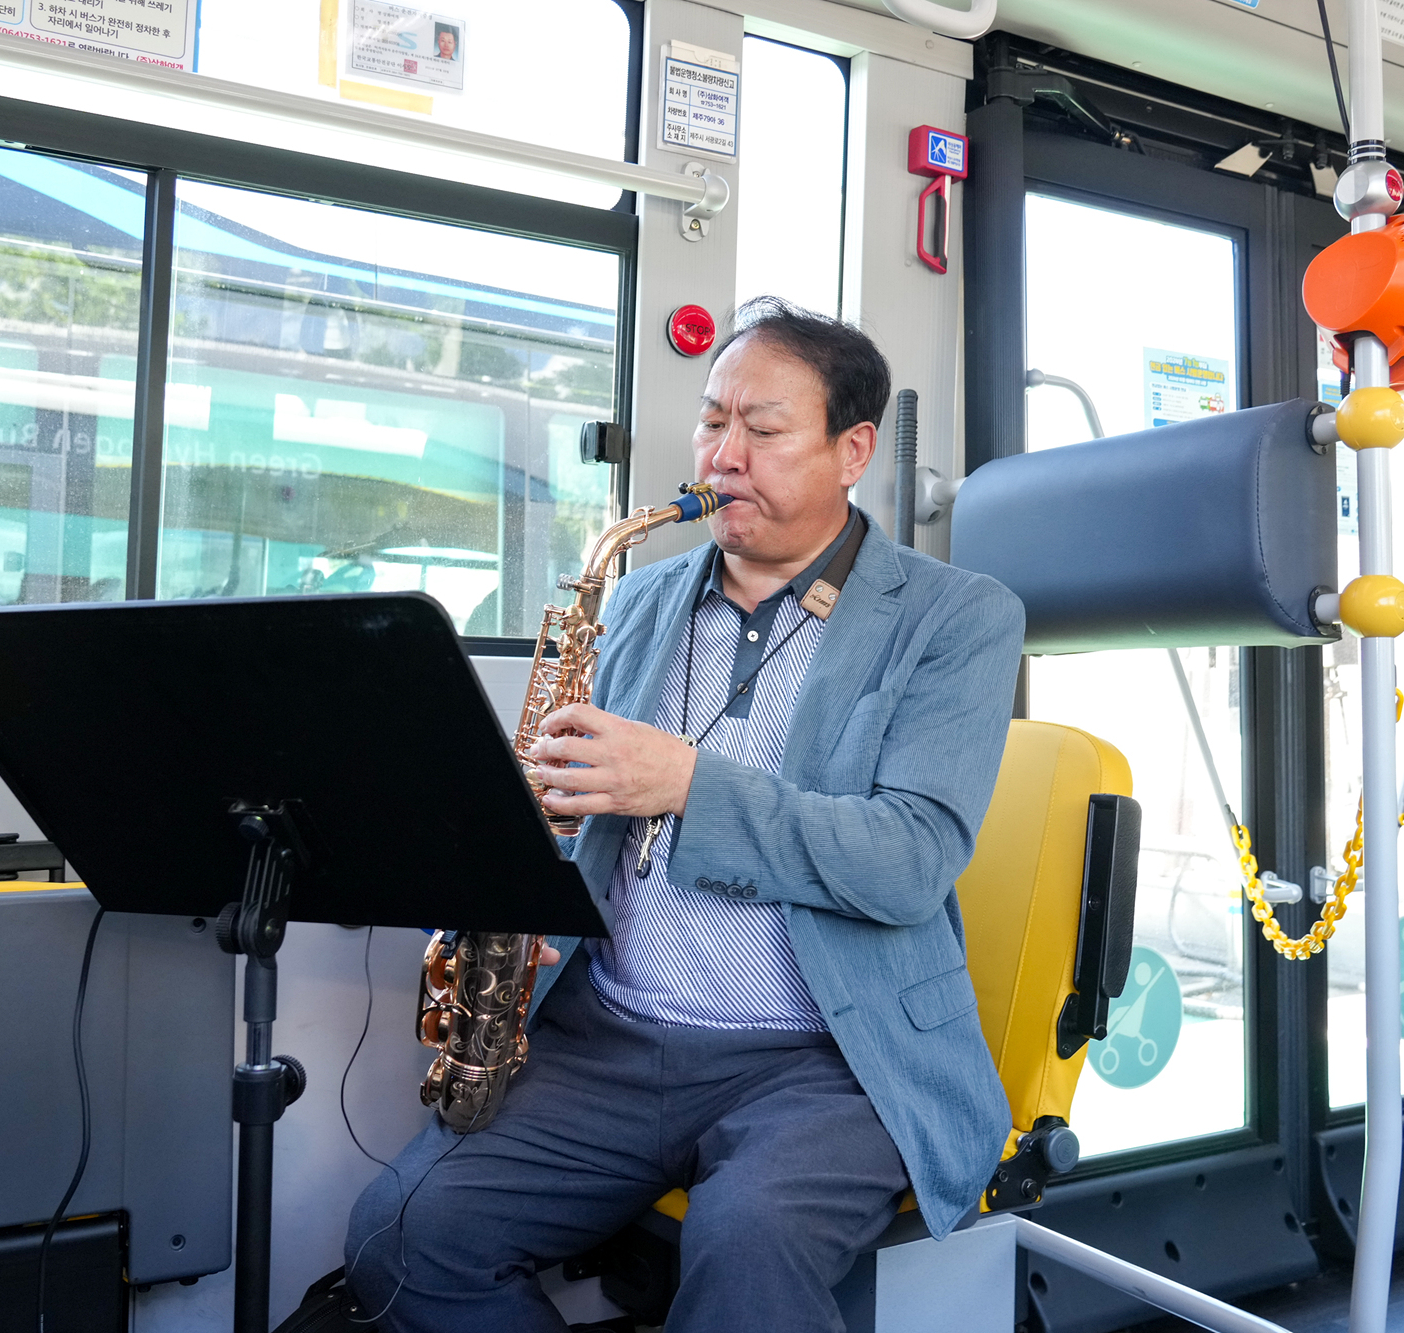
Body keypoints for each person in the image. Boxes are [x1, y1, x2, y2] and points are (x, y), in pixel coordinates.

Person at [344, 297, 1024, 1331]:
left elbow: (908, 860)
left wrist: (690, 783)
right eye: (712, 422)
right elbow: (575, 813)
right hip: (609, 1034)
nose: (722, 455)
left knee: (746, 1242)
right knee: (400, 1232)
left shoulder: (956, 617)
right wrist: (511, 891)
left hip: (826, 1060)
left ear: (853, 450)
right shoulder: (637, 601)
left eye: (761, 430)